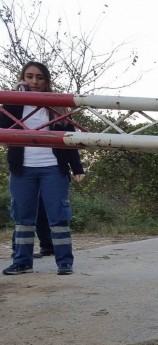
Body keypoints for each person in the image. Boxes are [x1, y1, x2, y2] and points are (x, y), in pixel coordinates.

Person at [2, 61, 85, 275]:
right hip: (22, 169)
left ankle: (64, 262)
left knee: (58, 217)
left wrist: (77, 168)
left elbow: (69, 139)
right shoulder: (13, 104)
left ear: (47, 80)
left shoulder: (57, 104)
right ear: (23, 78)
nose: (34, 81)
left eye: (39, 77)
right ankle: (22, 262)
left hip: (52, 168)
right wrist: (17, 95)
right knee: (23, 218)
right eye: (29, 76)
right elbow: (2, 124)